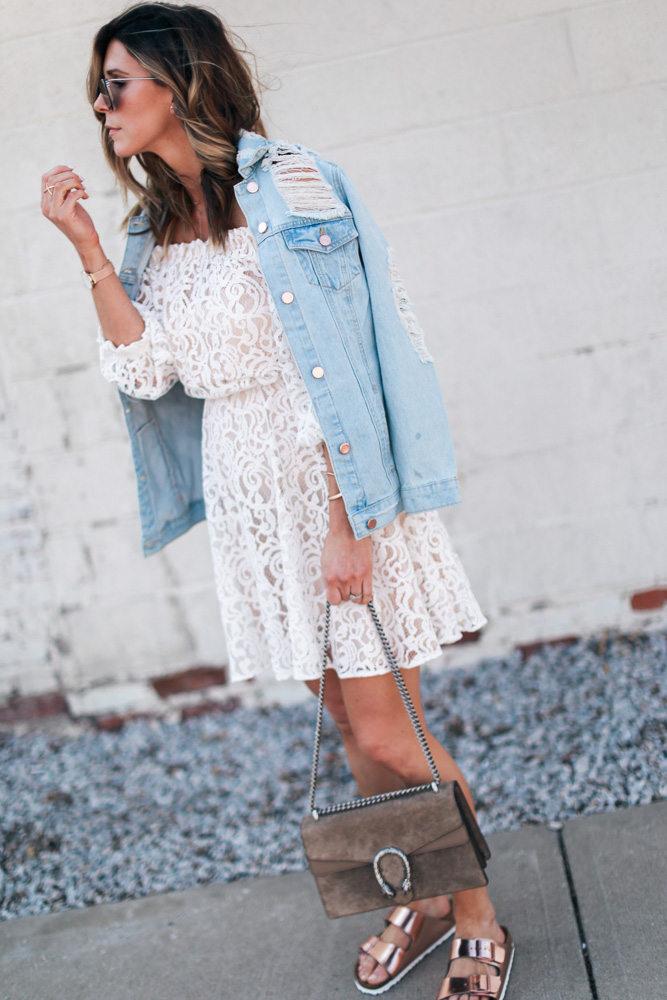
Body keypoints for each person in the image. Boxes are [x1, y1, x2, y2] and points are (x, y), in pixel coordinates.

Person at [41, 4, 514, 998]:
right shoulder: (150, 229)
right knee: (353, 728)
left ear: (182, 81)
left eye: (116, 81)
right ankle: (423, 890)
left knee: (391, 730)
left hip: (331, 479)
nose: (101, 102)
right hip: (250, 494)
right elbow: (146, 370)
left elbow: (351, 349)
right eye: (99, 85)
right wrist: (86, 242)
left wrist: (351, 522)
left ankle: (474, 912)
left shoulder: (291, 184)